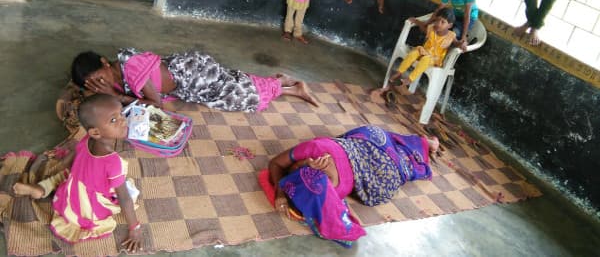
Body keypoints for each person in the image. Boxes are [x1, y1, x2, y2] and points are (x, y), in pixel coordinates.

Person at [12, 94, 142, 251]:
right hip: (89, 204)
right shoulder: (113, 162)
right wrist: (134, 229)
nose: (122, 120)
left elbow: (72, 156)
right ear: (95, 132)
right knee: (130, 191)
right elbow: (125, 199)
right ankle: (43, 188)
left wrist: (59, 165)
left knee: (63, 176)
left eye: (121, 113)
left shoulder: (87, 138)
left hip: (73, 187)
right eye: (113, 120)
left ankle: (41, 188)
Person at [268, 125, 438, 244]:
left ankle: (427, 144)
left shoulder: (315, 151)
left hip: (368, 142)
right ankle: (426, 143)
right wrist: (282, 191)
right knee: (391, 152)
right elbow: (279, 165)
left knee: (397, 164)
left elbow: (275, 164)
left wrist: (280, 191)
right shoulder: (316, 159)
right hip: (370, 136)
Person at [70, 48, 318, 112]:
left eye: (97, 78)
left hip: (194, 73)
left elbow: (156, 104)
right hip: (187, 82)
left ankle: (281, 82)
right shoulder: (116, 70)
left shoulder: (131, 68)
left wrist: (115, 97)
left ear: (104, 62)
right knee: (237, 89)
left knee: (243, 97)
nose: (99, 85)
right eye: (92, 85)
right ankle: (290, 88)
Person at [384, 8, 466, 92]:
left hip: (434, 58)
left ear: (449, 25)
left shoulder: (451, 35)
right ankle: (399, 72)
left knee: (425, 59)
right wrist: (416, 21)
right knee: (413, 53)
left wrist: (462, 43)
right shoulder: (431, 28)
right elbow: (423, 28)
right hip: (424, 51)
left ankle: (410, 79)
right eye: (437, 20)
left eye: (443, 22)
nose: (438, 24)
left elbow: (457, 43)